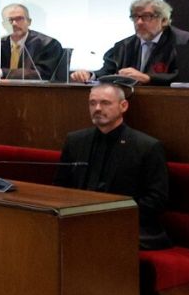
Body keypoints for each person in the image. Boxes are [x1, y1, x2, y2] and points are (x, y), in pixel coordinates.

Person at [56, 81, 172, 250]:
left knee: (94, 239)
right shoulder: (75, 141)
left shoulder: (147, 147)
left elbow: (156, 200)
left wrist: (110, 218)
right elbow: (60, 187)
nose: (97, 108)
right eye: (92, 103)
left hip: (130, 226)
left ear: (123, 106)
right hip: (78, 220)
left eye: (105, 103)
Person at [70, 0, 189, 85]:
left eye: (147, 17)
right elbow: (107, 71)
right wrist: (89, 75)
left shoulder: (185, 41)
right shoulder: (123, 46)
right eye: (135, 17)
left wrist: (149, 78)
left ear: (164, 20)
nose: (139, 22)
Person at [0, 2, 64, 80]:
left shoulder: (49, 44)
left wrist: (0, 72)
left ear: (29, 22)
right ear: (4, 25)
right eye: (9, 20)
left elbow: (42, 74)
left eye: (19, 19)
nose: (14, 23)